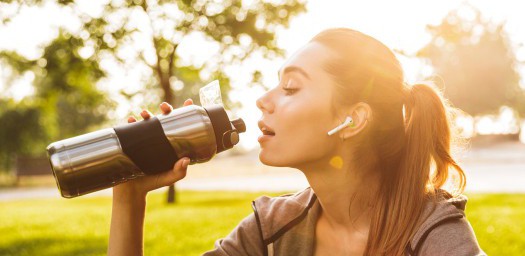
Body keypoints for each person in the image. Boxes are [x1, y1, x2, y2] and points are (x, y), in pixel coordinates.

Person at [108, 28, 485, 256]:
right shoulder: (272, 230)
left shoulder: (433, 235)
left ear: (352, 120)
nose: (264, 99)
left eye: (290, 87)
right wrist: (129, 197)